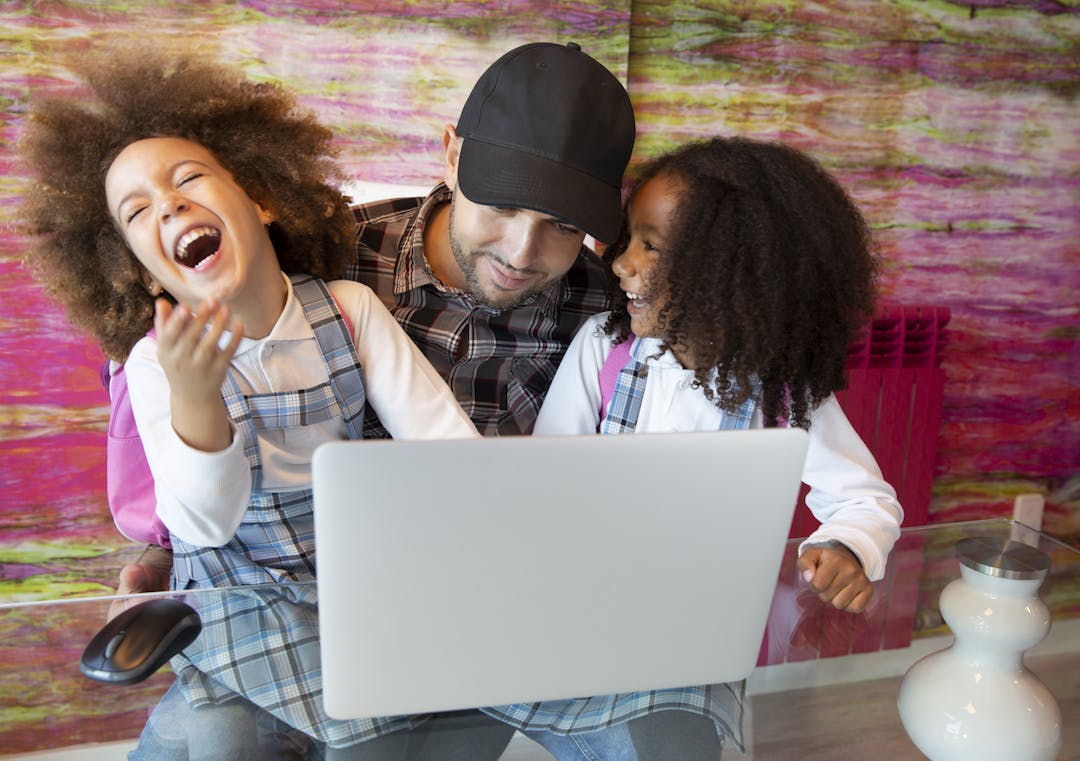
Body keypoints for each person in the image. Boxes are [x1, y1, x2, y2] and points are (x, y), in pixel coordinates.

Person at [66, 40, 641, 760]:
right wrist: (184, 435)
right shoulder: (346, 250)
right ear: (452, 156)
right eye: (503, 204)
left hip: (440, 591)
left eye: (563, 224)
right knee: (213, 736)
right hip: (261, 591)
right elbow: (193, 514)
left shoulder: (605, 304)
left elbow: (456, 450)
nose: (525, 251)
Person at [22, 43, 496, 760]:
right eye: (138, 210)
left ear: (261, 199)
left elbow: (448, 452)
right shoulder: (153, 362)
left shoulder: (348, 311)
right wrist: (194, 394)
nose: (171, 204)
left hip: (350, 585)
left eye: (188, 180)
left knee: (370, 738)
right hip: (229, 597)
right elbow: (204, 525)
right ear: (136, 265)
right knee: (221, 739)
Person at [501, 135, 905, 759]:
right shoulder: (602, 350)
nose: (619, 263)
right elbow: (546, 480)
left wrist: (845, 547)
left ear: (729, 269)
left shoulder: (781, 392)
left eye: (650, 246)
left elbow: (863, 498)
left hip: (693, 633)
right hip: (581, 612)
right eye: (627, 238)